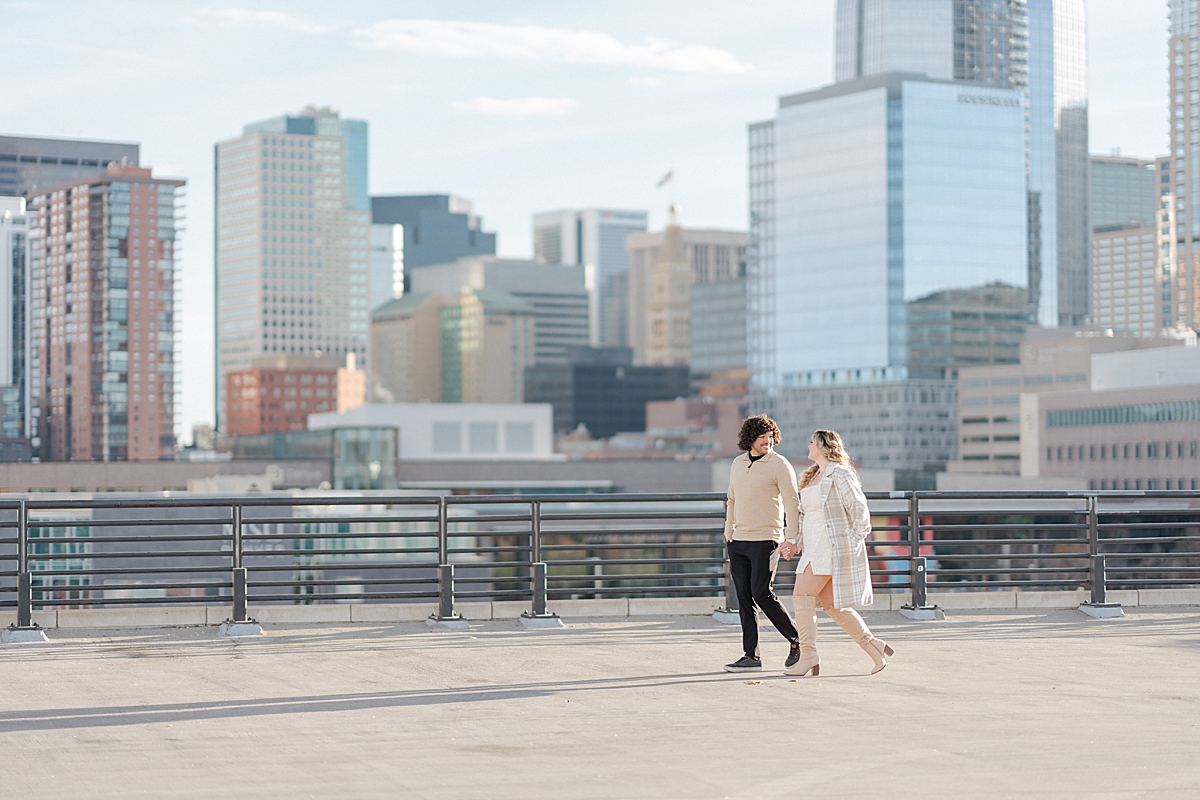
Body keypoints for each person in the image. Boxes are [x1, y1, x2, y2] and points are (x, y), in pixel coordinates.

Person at [780, 429, 895, 676]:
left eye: (811, 442)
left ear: (822, 446)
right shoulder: (813, 476)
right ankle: (873, 647)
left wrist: (850, 542)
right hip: (812, 548)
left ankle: (808, 654)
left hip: (830, 548)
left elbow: (859, 510)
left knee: (801, 596)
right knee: (832, 606)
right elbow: (805, 516)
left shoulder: (840, 474)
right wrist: (795, 543)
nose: (808, 445)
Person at [722, 414, 802, 673]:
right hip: (738, 541)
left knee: (762, 593)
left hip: (766, 539)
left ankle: (797, 640)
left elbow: (792, 502)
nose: (768, 441)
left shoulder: (779, 464)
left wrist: (791, 538)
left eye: (770, 437)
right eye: (762, 437)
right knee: (744, 599)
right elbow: (731, 499)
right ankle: (751, 656)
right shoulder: (737, 463)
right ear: (750, 439)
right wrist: (729, 530)